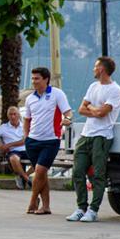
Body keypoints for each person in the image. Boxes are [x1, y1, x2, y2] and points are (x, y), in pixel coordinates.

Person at [67, 56, 120, 223]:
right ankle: (81, 207)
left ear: (102, 69)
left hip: (102, 136)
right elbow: (81, 109)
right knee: (77, 171)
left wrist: (91, 108)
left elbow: (102, 113)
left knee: (98, 174)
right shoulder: (93, 86)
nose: (93, 69)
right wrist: (94, 108)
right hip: (86, 134)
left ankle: (93, 209)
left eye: (95, 66)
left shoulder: (115, 90)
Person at [23, 67, 73, 215]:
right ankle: (46, 206)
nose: (34, 81)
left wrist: (68, 119)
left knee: (40, 170)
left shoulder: (57, 94)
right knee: (42, 175)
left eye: (37, 78)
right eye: (32, 78)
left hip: (51, 140)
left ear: (46, 79)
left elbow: (68, 112)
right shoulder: (30, 98)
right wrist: (26, 137)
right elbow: (27, 119)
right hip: (32, 141)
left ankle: (32, 201)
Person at [0, 106, 32, 189]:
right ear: (8, 116)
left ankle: (24, 176)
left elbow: (25, 140)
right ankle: (27, 179)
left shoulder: (24, 126)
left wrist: (9, 145)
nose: (13, 116)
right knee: (13, 159)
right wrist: (1, 146)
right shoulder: (3, 127)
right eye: (10, 114)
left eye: (15, 114)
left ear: (18, 115)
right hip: (14, 152)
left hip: (26, 150)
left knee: (41, 159)